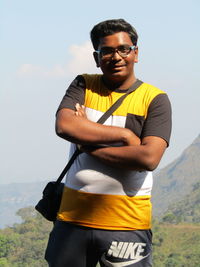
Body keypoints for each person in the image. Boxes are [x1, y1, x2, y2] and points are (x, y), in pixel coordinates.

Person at [45, 18, 172, 267]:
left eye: (123, 49)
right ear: (96, 57)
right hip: (72, 221)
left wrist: (86, 144)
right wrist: (123, 136)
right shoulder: (83, 84)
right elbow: (65, 126)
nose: (116, 57)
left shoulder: (155, 100)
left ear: (136, 53)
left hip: (127, 225)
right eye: (107, 51)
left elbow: (148, 158)